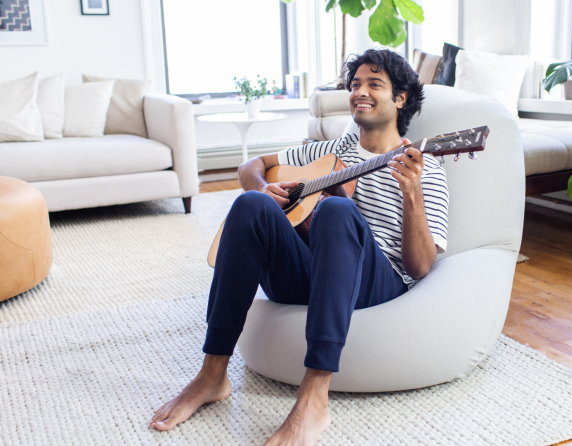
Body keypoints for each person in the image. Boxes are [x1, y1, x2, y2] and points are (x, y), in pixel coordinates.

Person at [149, 48, 449, 446]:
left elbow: (422, 267)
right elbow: (250, 166)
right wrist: (262, 187)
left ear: (401, 98)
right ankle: (212, 373)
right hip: (314, 274)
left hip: (378, 282)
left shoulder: (424, 167)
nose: (360, 91)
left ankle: (313, 398)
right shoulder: (330, 153)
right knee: (250, 204)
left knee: (336, 212)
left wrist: (411, 194)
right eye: (355, 84)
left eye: (374, 84)